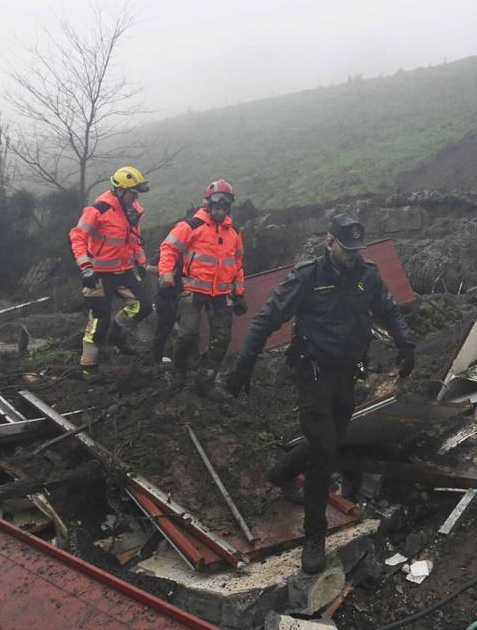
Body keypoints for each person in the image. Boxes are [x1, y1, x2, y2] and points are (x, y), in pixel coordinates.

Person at [225, 214, 415, 574]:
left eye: (357, 249)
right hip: (313, 372)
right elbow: (266, 320)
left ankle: (281, 473)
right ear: (329, 243)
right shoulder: (307, 277)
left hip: (348, 371)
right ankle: (315, 535)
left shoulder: (368, 274)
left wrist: (407, 344)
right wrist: (242, 368)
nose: (353, 256)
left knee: (330, 438)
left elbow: (388, 309)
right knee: (324, 450)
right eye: (346, 249)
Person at [152, 179, 246, 392]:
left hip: (222, 293)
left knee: (222, 339)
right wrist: (166, 278)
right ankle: (179, 372)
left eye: (224, 206)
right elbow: (168, 249)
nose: (220, 210)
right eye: (217, 205)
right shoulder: (191, 226)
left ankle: (205, 380)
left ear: (229, 206)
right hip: (193, 289)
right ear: (208, 204)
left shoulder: (235, 234)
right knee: (188, 334)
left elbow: (238, 265)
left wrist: (239, 293)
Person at [69, 166, 153, 382]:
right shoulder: (99, 209)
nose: (135, 197)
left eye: (137, 193)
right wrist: (85, 267)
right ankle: (89, 366)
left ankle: (117, 335)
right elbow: (78, 236)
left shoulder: (132, 210)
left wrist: (141, 262)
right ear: (119, 190)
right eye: (132, 192)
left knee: (143, 305)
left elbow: (133, 240)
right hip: (98, 274)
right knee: (99, 321)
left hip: (123, 271)